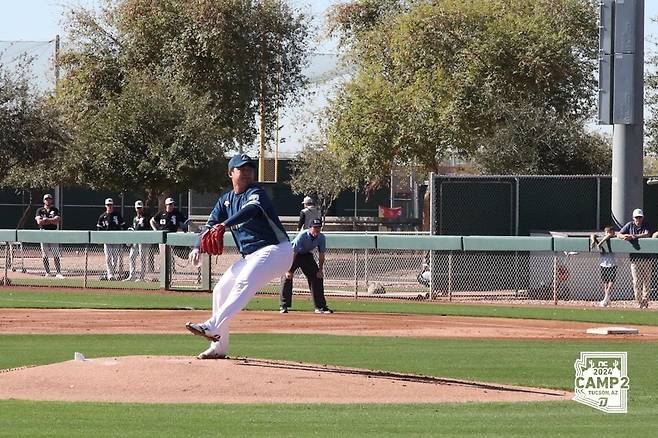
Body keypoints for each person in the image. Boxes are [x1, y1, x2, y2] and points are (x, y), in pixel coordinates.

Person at [185, 153, 293, 359]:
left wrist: (225, 224)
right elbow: (208, 226)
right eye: (241, 169)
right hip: (251, 257)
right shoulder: (225, 200)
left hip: (277, 250)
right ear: (230, 173)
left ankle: (212, 325)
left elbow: (251, 210)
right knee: (220, 290)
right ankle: (219, 348)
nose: (247, 172)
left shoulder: (256, 193)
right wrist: (197, 246)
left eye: (249, 169)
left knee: (244, 281)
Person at [279, 218, 333, 314]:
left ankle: (320, 307)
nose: (317, 230)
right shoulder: (303, 235)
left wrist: (320, 270)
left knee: (317, 276)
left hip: (306, 255)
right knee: (287, 277)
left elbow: (321, 255)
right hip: (292, 255)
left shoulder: (321, 237)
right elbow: (294, 252)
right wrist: (289, 269)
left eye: (319, 228)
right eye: (315, 227)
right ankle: (284, 306)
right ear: (310, 228)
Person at [617, 208, 653, 308]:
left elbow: (647, 234)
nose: (638, 219)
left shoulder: (646, 225)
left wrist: (633, 236)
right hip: (634, 259)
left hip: (646, 258)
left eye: (640, 217)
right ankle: (639, 301)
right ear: (633, 218)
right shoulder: (629, 225)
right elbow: (619, 234)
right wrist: (624, 236)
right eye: (636, 217)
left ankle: (645, 301)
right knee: (636, 281)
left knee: (647, 281)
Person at [150, 197, 189, 272]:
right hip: (162, 236)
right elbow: (152, 220)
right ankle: (164, 268)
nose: (171, 206)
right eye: (170, 204)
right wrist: (155, 230)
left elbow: (185, 222)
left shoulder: (177, 213)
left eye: (172, 204)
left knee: (170, 253)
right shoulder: (161, 213)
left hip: (172, 236)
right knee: (163, 254)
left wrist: (187, 228)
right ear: (166, 205)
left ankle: (171, 269)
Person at [96, 198, 127, 280]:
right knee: (108, 257)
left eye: (111, 205)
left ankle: (110, 273)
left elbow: (123, 225)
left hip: (116, 239)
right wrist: (99, 239)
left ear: (113, 205)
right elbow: (99, 229)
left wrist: (125, 236)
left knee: (115, 258)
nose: (109, 206)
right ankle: (110, 274)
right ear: (105, 206)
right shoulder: (102, 216)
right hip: (107, 240)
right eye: (108, 205)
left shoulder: (117, 214)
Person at [34, 193, 64, 279]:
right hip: (43, 233)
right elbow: (39, 222)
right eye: (46, 199)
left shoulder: (55, 209)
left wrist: (46, 220)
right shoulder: (40, 210)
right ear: (44, 200)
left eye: (49, 199)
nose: (48, 200)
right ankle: (47, 272)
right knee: (45, 254)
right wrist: (51, 220)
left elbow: (57, 220)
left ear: (51, 200)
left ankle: (58, 272)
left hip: (53, 232)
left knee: (55, 253)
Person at [590, 226, 616, 307]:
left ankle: (605, 299)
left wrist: (601, 243)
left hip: (612, 264)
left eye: (609, 232)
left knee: (611, 283)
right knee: (605, 283)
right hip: (603, 264)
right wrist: (593, 241)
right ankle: (607, 300)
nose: (607, 233)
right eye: (606, 232)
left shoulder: (613, 237)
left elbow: (608, 236)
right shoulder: (602, 236)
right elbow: (592, 234)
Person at [126, 200, 152, 282]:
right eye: (137, 208)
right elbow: (134, 228)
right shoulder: (135, 218)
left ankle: (142, 277)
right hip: (135, 240)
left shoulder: (147, 217)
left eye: (140, 208)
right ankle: (132, 275)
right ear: (135, 208)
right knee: (131, 257)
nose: (139, 209)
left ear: (142, 208)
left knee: (142, 258)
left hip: (143, 240)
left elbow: (149, 228)